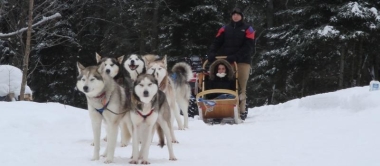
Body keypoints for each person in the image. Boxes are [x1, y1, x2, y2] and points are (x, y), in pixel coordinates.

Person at [207, 7, 255, 120]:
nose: (236, 16)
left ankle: (242, 111)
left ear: (241, 16)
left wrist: (236, 56)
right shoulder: (225, 28)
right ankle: (221, 107)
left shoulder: (248, 29)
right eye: (234, 14)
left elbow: (249, 47)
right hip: (227, 60)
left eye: (238, 14)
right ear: (231, 16)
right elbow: (217, 42)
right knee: (225, 82)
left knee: (241, 86)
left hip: (242, 61)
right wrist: (212, 53)